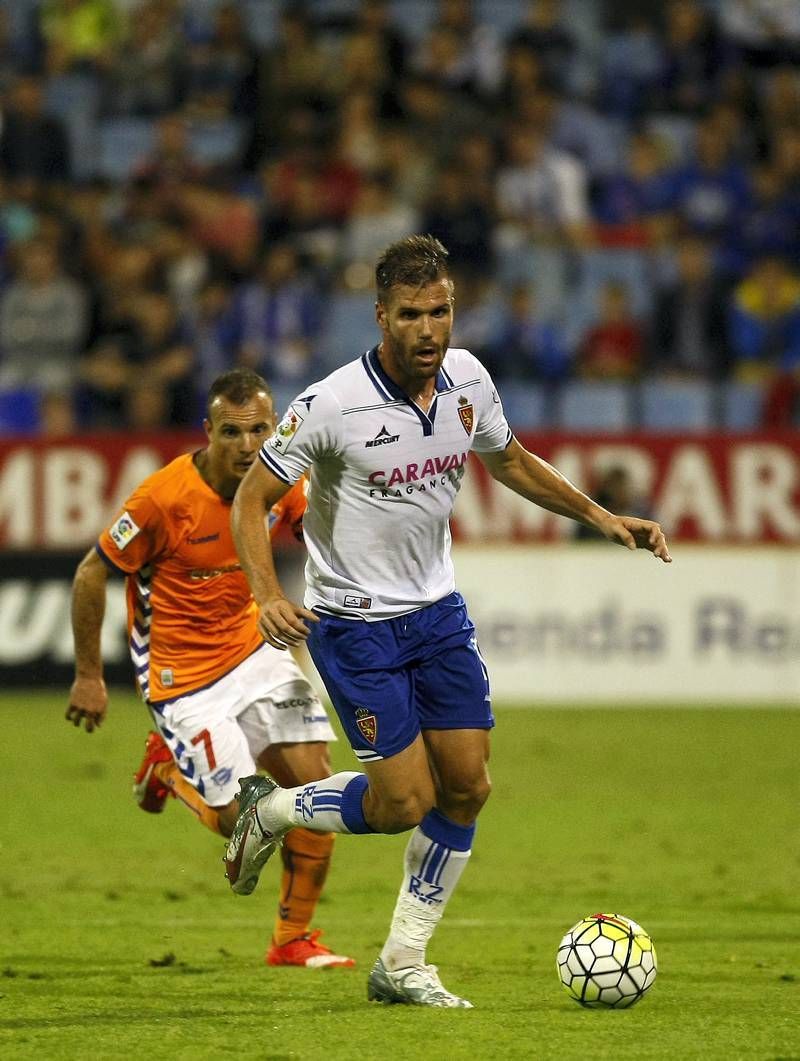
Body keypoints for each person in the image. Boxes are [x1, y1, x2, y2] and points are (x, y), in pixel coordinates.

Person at [225, 235, 671, 1008]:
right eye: (411, 314)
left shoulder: (468, 380)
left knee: (466, 786)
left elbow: (513, 459)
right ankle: (268, 810)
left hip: (437, 614)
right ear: (381, 316)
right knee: (402, 803)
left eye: (441, 311)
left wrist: (600, 516)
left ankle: (402, 960)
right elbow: (250, 500)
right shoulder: (332, 403)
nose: (430, 329)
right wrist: (267, 592)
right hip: (355, 625)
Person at [66, 367, 354, 970]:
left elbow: (323, 538)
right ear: (208, 431)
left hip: (256, 649)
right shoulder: (163, 500)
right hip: (183, 677)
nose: (249, 446)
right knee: (239, 823)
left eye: (260, 430)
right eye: (233, 432)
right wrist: (89, 675)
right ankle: (166, 769)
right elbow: (92, 572)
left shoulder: (282, 480)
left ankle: (292, 940)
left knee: (315, 790)